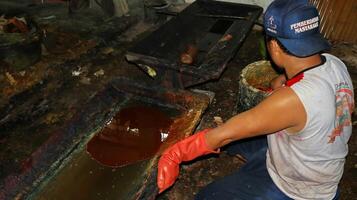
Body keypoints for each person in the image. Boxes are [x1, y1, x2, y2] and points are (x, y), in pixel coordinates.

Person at [157, 0, 354, 199]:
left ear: (275, 46)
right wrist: (284, 79)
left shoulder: (291, 100)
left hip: (300, 188)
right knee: (240, 141)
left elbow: (224, 135)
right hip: (321, 164)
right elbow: (303, 82)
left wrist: (175, 155)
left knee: (208, 195)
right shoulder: (334, 63)